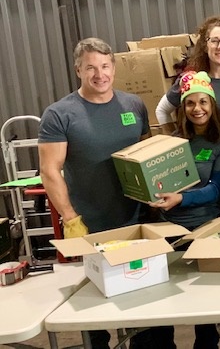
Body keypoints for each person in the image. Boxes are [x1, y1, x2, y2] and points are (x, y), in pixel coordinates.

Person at [38, 37, 168, 349]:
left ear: (114, 66)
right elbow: (49, 170)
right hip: (91, 224)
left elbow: (146, 154)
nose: (100, 74)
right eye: (91, 68)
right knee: (96, 309)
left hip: (134, 219)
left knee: (144, 300)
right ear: (78, 70)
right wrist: (71, 219)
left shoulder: (133, 105)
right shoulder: (60, 114)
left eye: (105, 66)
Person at [148, 71, 220, 349]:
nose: (197, 109)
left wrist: (181, 200)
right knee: (165, 294)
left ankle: (207, 344)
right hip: (167, 228)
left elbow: (215, 189)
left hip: (204, 227)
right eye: (190, 103)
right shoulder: (172, 141)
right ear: (182, 108)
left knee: (203, 298)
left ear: (212, 105)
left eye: (203, 102)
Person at [155, 15, 220, 155]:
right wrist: (173, 143)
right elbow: (162, 110)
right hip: (204, 163)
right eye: (214, 41)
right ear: (205, 46)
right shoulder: (192, 81)